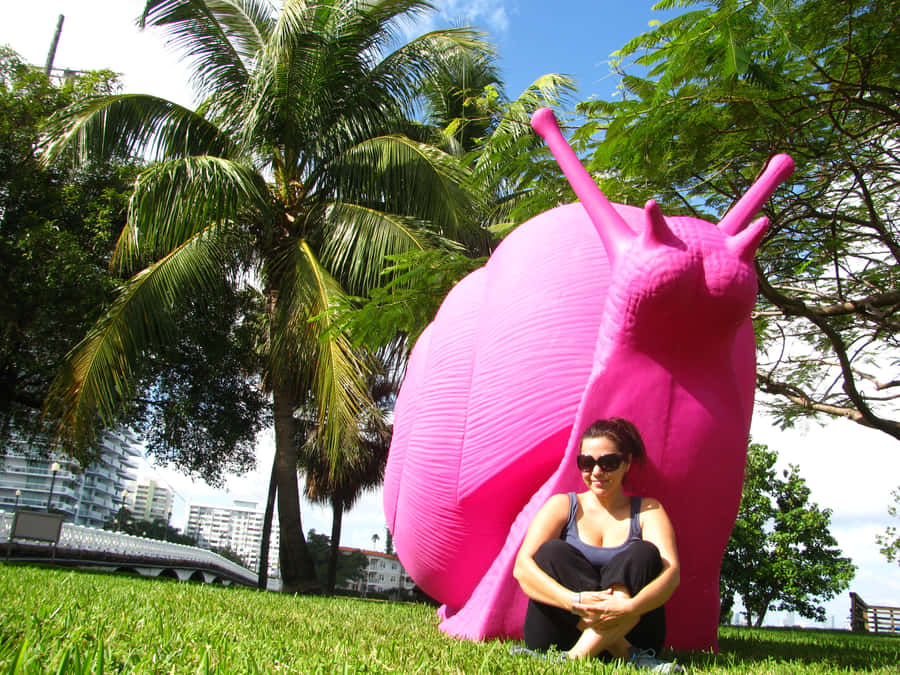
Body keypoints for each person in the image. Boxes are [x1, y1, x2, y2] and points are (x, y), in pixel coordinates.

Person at [512, 417, 683, 672]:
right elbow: (522, 569)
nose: (596, 472)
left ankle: (573, 659)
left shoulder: (648, 510)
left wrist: (628, 607)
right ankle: (628, 654)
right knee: (551, 552)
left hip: (636, 629)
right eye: (586, 463)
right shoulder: (562, 506)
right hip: (561, 633)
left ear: (626, 464)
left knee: (643, 553)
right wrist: (574, 601)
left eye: (608, 463)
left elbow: (671, 576)